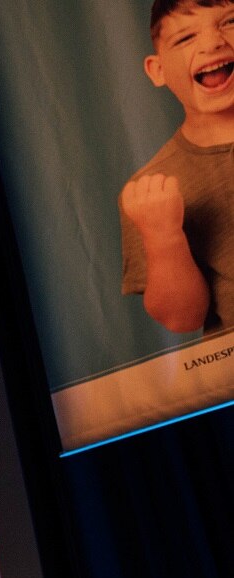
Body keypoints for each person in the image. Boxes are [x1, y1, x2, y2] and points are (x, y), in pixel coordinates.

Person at [120, 0, 234, 334]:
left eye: (229, 22)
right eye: (185, 38)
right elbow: (183, 319)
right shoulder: (149, 189)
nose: (213, 42)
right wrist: (163, 237)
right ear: (158, 70)